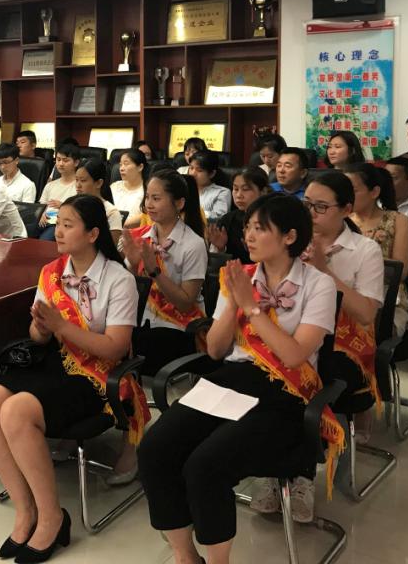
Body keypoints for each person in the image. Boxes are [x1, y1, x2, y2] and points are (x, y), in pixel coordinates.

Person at [139, 195, 341, 563]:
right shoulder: (240, 276)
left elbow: (294, 355)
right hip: (233, 379)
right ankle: (185, 556)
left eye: (260, 228)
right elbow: (216, 350)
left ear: (290, 236)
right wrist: (233, 303)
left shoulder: (319, 285)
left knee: (205, 465)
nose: (248, 235)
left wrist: (251, 306)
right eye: (247, 227)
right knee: (154, 448)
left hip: (285, 392)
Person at [0, 194, 146, 563]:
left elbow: (115, 348)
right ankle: (26, 510)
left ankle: (52, 516)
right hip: (58, 362)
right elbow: (39, 337)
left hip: (96, 376)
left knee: (16, 411)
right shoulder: (52, 272)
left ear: (93, 234)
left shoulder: (119, 280)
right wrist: (41, 328)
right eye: (58, 223)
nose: (58, 231)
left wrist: (61, 326)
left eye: (68, 225)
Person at [116, 170, 208, 484]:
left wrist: (155, 271)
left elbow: (185, 302)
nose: (149, 204)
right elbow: (129, 289)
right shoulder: (141, 235)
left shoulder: (192, 244)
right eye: (148, 198)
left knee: (126, 356)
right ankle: (123, 427)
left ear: (179, 203)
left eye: (157, 198)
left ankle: (132, 442)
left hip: (179, 329)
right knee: (111, 345)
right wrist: (131, 264)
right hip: (141, 321)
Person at [299, 171, 385, 459]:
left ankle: (309, 457)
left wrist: (323, 270)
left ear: (347, 209)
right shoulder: (292, 239)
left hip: (345, 343)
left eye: (321, 207)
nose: (310, 213)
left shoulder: (366, 250)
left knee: (316, 373)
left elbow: (366, 313)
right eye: (306, 204)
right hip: (300, 333)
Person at [346, 163, 408, 335]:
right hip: (346, 292)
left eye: (352, 190)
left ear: (374, 192)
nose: (345, 196)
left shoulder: (398, 220)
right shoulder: (342, 220)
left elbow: (400, 271)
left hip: (387, 296)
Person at [207, 167, 271, 264]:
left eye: (245, 189)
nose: (239, 195)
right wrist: (220, 248)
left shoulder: (272, 220)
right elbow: (215, 264)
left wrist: (256, 251)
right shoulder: (228, 219)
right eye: (235, 189)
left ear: (263, 191)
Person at [38, 143, 81, 240]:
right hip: (44, 221)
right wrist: (41, 214)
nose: (61, 164)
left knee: (44, 239)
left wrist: (63, 206)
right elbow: (42, 206)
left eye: (65, 160)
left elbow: (81, 212)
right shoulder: (50, 185)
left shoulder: (80, 186)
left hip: (62, 223)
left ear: (76, 162)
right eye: (58, 160)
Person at [74, 160, 122, 245]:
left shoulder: (111, 212)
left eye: (83, 180)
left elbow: (111, 247)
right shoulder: (73, 206)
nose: (78, 185)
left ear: (99, 183)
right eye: (76, 180)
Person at [189, 151, 230, 223]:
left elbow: (219, 217)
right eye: (191, 168)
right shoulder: (185, 188)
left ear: (212, 174)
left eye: (199, 170)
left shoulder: (222, 192)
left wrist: (190, 213)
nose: (193, 173)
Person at [110, 148, 148, 222]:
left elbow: (147, 215)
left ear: (140, 167)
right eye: (120, 165)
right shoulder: (114, 186)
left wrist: (122, 224)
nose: (121, 168)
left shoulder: (148, 190)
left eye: (126, 164)